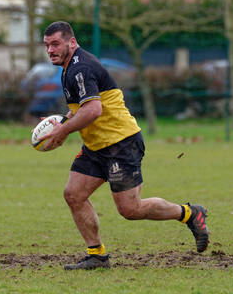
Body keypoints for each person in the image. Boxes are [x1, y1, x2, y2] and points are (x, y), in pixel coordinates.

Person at [41, 21, 209, 270]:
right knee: (74, 194)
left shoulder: (81, 67)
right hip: (96, 146)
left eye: (55, 44)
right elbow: (80, 108)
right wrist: (61, 122)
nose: (50, 50)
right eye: (47, 45)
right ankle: (97, 255)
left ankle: (189, 213)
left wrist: (63, 130)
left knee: (130, 209)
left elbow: (94, 109)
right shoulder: (68, 68)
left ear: (72, 42)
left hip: (121, 144)